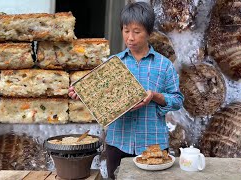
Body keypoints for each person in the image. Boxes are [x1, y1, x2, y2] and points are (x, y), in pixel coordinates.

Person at [68, 2, 184, 179]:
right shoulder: (113, 64)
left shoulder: (164, 65)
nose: (130, 37)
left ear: (149, 33)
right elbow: (100, 97)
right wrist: (82, 94)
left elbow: (177, 100)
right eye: (125, 30)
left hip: (153, 145)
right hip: (118, 143)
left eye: (136, 32)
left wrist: (155, 96)